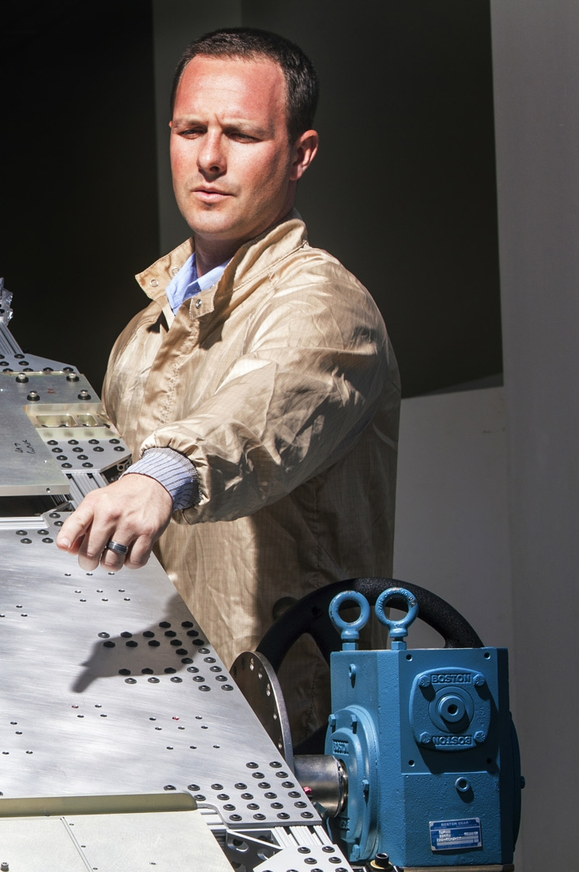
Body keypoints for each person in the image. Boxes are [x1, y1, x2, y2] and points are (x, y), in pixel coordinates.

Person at [54, 28, 398, 744]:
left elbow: (256, 417)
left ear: (300, 153)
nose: (209, 158)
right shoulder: (145, 328)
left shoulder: (326, 305)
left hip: (291, 732)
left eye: (241, 135)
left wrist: (161, 476)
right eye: (191, 131)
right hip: (156, 715)